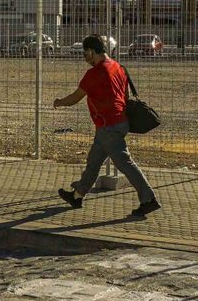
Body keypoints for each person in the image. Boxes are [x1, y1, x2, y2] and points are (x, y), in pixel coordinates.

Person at [53, 34, 160, 217]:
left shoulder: (94, 73)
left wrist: (59, 102)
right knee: (93, 161)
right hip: (118, 122)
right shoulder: (118, 67)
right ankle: (77, 195)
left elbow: (75, 97)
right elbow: (125, 95)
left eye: (85, 54)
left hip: (109, 126)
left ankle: (148, 199)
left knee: (126, 164)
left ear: (92, 51)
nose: (85, 59)